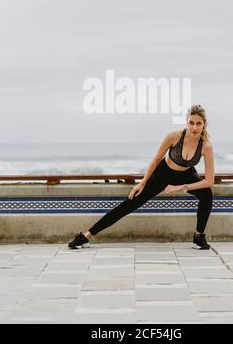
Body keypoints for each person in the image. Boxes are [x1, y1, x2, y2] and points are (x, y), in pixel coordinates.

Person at [68, 104, 214, 250]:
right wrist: (143, 183)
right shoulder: (174, 137)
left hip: (186, 175)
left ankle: (198, 236)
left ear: (204, 124)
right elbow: (156, 159)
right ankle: (86, 236)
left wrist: (181, 187)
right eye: (191, 123)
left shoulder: (206, 146)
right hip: (163, 172)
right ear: (186, 122)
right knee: (131, 202)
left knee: (207, 195)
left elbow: (209, 181)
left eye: (198, 123)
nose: (194, 127)